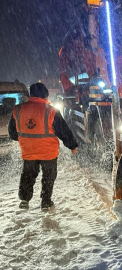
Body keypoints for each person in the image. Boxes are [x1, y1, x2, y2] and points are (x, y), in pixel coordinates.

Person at [8, 83, 78, 211]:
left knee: (28, 174)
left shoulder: (18, 110)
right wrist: (72, 145)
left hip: (28, 151)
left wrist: (27, 139)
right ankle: (45, 202)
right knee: (48, 177)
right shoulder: (51, 111)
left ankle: (24, 199)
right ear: (46, 95)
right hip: (48, 153)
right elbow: (63, 131)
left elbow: (12, 134)